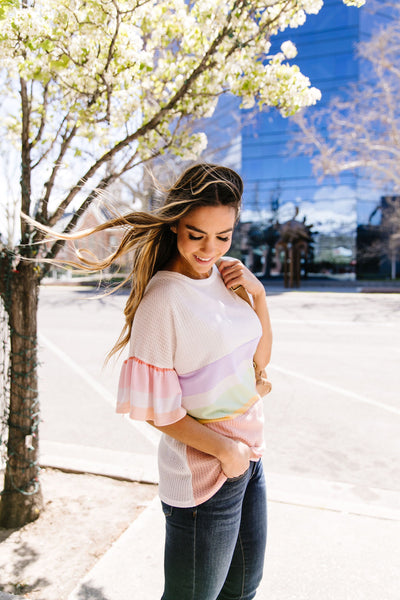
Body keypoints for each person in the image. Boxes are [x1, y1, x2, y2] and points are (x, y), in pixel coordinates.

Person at [36, 163, 272, 599]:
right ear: (176, 223)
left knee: (243, 589)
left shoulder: (229, 276)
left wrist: (257, 294)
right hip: (208, 471)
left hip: (249, 456)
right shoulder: (162, 300)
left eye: (223, 236)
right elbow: (154, 410)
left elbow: (262, 359)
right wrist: (226, 451)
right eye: (196, 233)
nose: (210, 249)